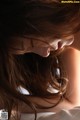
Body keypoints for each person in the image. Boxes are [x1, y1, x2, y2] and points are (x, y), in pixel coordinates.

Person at [0, 0, 80, 120]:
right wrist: (7, 103)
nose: (45, 54)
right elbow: (72, 101)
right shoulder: (64, 40)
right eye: (28, 51)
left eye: (31, 44)